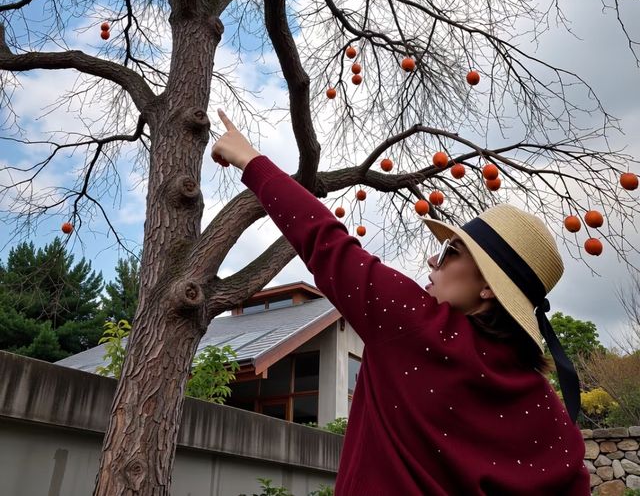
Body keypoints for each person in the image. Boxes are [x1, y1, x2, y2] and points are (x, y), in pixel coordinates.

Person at [212, 110, 590, 496]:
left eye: (450, 252)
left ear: (489, 288)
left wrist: (251, 161)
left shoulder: (415, 327)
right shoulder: (551, 414)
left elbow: (325, 240)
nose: (432, 260)